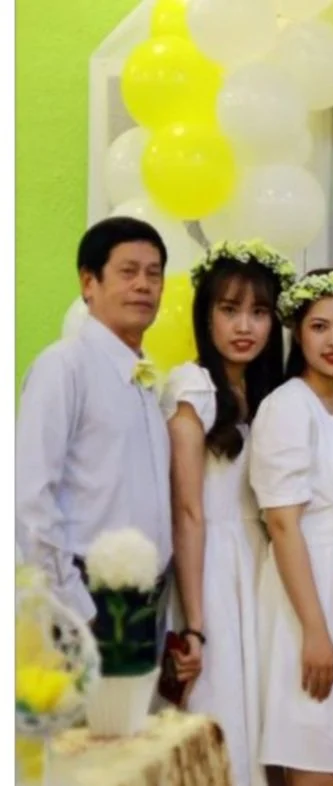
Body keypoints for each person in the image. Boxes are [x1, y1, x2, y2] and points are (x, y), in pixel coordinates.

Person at [161, 240, 294, 786]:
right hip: (209, 570)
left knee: (266, 719)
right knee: (218, 718)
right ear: (206, 315)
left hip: (262, 570)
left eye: (259, 312)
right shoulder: (191, 387)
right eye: (229, 309)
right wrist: (194, 624)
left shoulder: (269, 396)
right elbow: (188, 512)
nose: (245, 326)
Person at [249, 268, 333, 786]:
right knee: (315, 747)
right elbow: (282, 524)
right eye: (320, 326)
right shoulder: (286, 406)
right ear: (298, 332)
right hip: (309, 590)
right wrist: (316, 631)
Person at [16, 216, 172, 621]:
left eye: (154, 274)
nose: (143, 285)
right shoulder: (64, 366)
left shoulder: (145, 378)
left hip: (145, 601)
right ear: (89, 283)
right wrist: (73, 607)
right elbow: (29, 500)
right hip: (86, 598)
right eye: (128, 272)